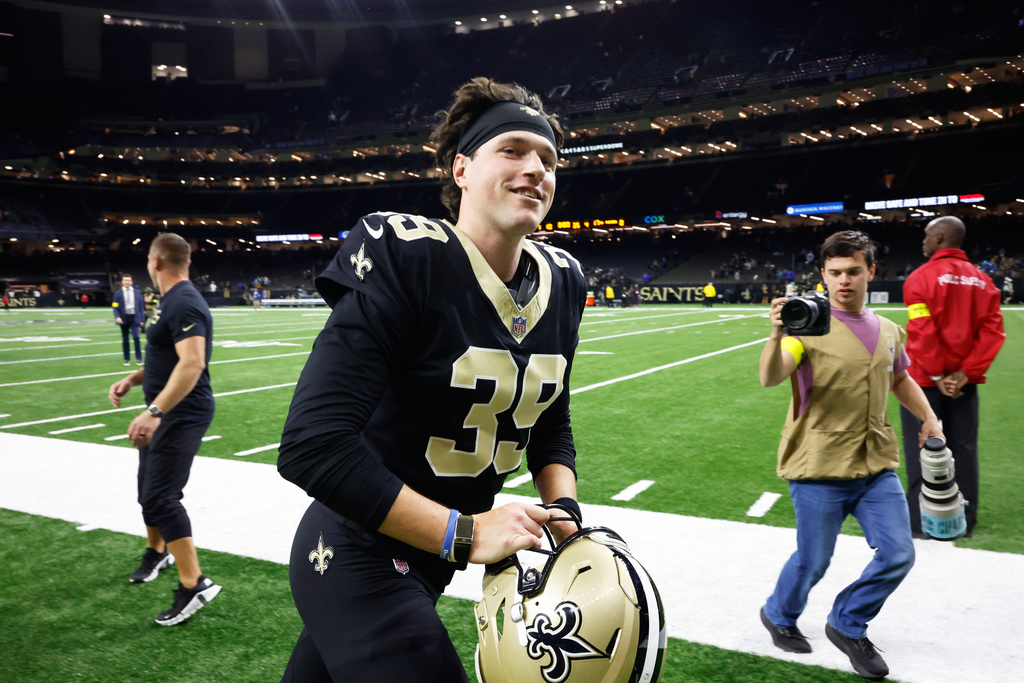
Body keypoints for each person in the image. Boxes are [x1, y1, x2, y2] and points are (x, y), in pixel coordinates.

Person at [276, 77, 585, 682]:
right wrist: (465, 534)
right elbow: (312, 445)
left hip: (433, 559)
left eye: (548, 159)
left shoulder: (564, 279)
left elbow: (549, 420)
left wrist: (566, 513)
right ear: (462, 168)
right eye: (514, 150)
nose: (535, 170)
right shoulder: (405, 255)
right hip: (355, 549)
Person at [757, 230, 943, 681]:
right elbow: (772, 376)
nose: (844, 280)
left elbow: (900, 379)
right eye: (835, 272)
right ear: (823, 274)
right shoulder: (807, 327)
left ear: (870, 272)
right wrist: (777, 331)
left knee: (899, 553)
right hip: (819, 464)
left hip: (875, 464)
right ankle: (779, 613)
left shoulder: (889, 330)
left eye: (853, 271)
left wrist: (930, 418)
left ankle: (847, 623)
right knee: (813, 560)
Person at [107, 233, 221, 626]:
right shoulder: (168, 301)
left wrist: (154, 411)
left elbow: (192, 363)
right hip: (166, 409)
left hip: (181, 413)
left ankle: (195, 584)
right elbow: (165, 357)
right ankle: (158, 552)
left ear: (155, 262)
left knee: (161, 498)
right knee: (147, 493)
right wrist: (134, 380)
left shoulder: (185, 300)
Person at [900, 217, 1005, 539]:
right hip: (964, 384)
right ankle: (964, 521)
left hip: (925, 383)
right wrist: (963, 374)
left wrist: (938, 374)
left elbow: (922, 332)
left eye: (927, 235)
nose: (923, 240)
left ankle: (920, 525)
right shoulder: (984, 282)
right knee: (964, 449)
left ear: (940, 237)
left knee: (923, 450)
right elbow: (992, 333)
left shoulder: (919, 280)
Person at [112, 274, 145, 366]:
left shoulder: (137, 293)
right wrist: (117, 317)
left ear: (131, 282)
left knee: (136, 337)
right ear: (122, 282)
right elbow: (114, 307)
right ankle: (127, 359)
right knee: (125, 339)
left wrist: (142, 319)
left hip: (134, 318)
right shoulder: (117, 293)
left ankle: (139, 358)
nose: (127, 282)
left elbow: (141, 307)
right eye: (125, 280)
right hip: (124, 318)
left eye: (129, 280)